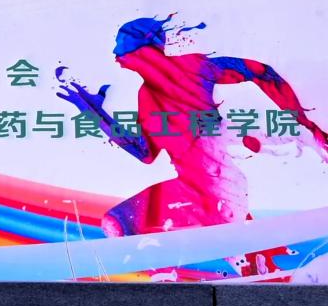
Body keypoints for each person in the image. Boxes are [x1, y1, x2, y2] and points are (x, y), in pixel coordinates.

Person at [58, 17, 328, 247]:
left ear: (144, 48)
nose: (116, 55)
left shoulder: (192, 69)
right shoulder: (151, 94)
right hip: (198, 187)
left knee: (119, 224)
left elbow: (261, 72)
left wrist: (306, 124)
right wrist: (93, 111)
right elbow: (145, 153)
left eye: (122, 45)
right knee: (118, 224)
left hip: (216, 186)